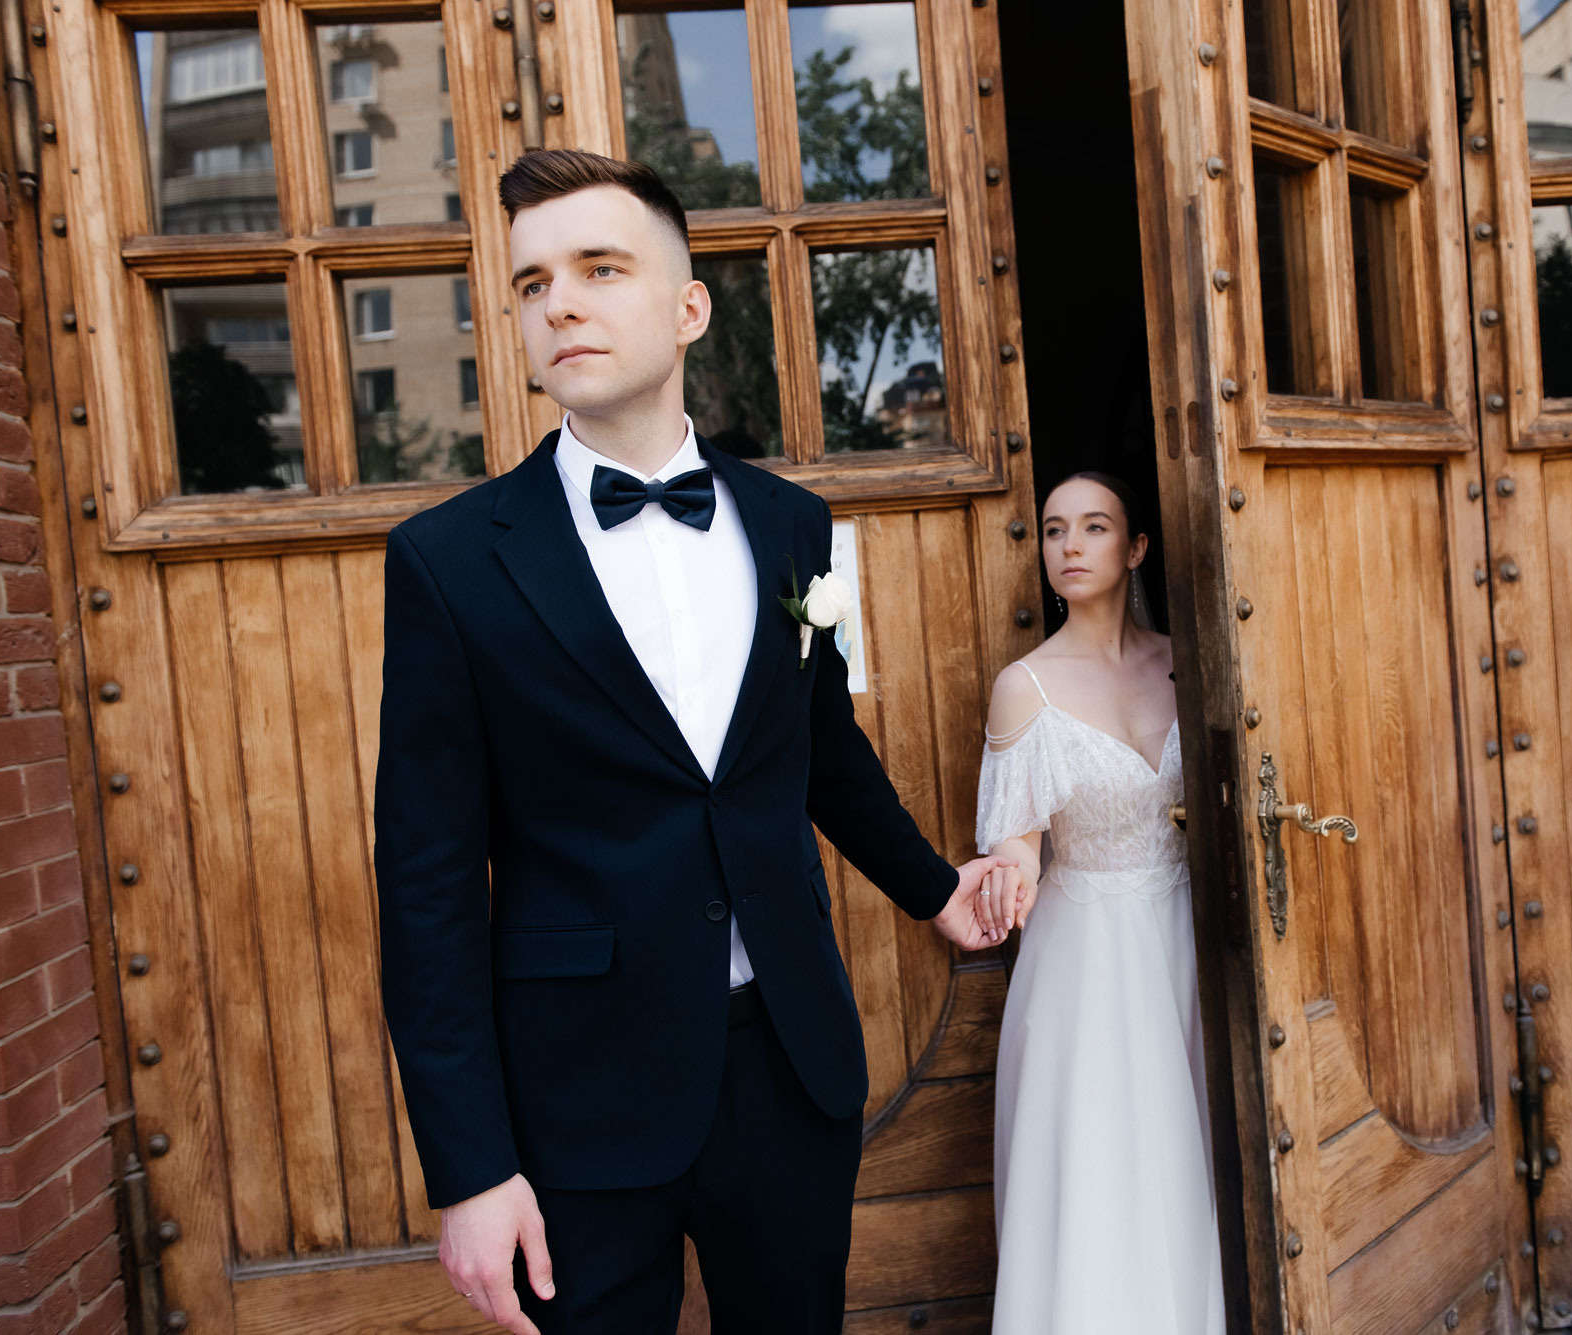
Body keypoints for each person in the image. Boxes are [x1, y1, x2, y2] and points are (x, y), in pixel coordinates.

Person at [374, 148, 1015, 1335]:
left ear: (687, 310)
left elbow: (822, 752)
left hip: (787, 1065)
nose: (559, 303)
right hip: (577, 1092)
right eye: (530, 284)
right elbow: (426, 888)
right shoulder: (447, 563)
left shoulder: (792, 524)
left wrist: (934, 891)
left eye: (599, 268)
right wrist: (468, 1168)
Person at [972, 472, 1227, 1334]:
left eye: (1093, 527)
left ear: (1136, 547)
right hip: (1086, 959)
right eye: (1054, 530)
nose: (1070, 546)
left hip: (1183, 938)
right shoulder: (1025, 685)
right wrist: (1009, 876)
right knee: (1102, 1162)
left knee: (1187, 1152)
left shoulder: (1188, 662)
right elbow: (1017, 841)